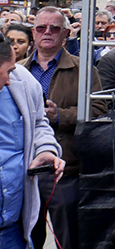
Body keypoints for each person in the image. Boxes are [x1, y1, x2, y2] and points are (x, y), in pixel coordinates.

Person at [23, 7, 106, 249]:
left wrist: (61, 115)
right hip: (26, 172)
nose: (47, 32)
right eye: (41, 28)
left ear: (66, 34)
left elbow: (100, 110)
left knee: (67, 239)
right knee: (26, 239)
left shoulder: (84, 70)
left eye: (54, 28)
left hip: (66, 170)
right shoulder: (17, 71)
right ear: (33, 32)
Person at [0, 33, 65, 249]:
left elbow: (39, 123)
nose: (10, 78)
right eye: (7, 71)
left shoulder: (23, 80)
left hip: (13, 229)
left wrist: (45, 150)